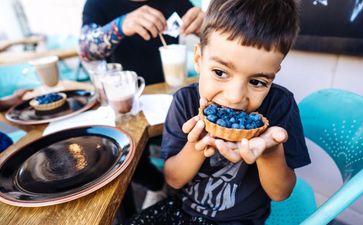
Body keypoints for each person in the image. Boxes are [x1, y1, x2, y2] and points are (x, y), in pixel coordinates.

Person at [126, 0, 311, 224]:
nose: (235, 97)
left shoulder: (280, 107)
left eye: (257, 81)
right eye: (220, 72)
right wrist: (196, 145)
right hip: (183, 209)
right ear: (198, 59)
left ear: (274, 72)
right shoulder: (184, 102)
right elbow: (173, 180)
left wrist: (270, 154)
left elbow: (280, 193)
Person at [79, 0, 204, 209]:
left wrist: (209, 27)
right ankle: (157, 186)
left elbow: (220, 42)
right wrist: (120, 26)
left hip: (174, 98)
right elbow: (85, 50)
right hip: (127, 103)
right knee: (126, 161)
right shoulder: (97, 4)